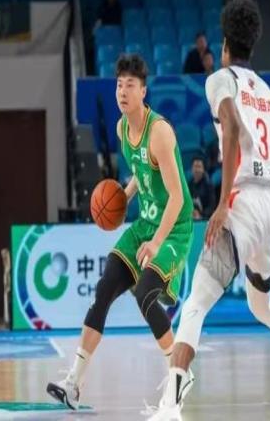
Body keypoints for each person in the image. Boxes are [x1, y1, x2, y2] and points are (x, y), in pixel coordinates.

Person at [149, 0, 270, 421]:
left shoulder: (220, 80)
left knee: (196, 303)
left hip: (241, 201)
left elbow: (232, 128)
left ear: (224, 45)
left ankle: (170, 407)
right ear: (252, 44)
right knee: (261, 306)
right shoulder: (268, 93)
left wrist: (222, 204)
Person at [46, 54, 195, 409]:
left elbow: (177, 197)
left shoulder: (159, 132)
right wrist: (123, 197)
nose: (123, 91)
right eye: (119, 85)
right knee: (103, 290)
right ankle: (74, 383)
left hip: (174, 227)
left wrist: (157, 242)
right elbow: (142, 175)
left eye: (130, 85)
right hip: (145, 222)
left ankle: (180, 372)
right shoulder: (120, 129)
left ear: (143, 91)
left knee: (145, 293)